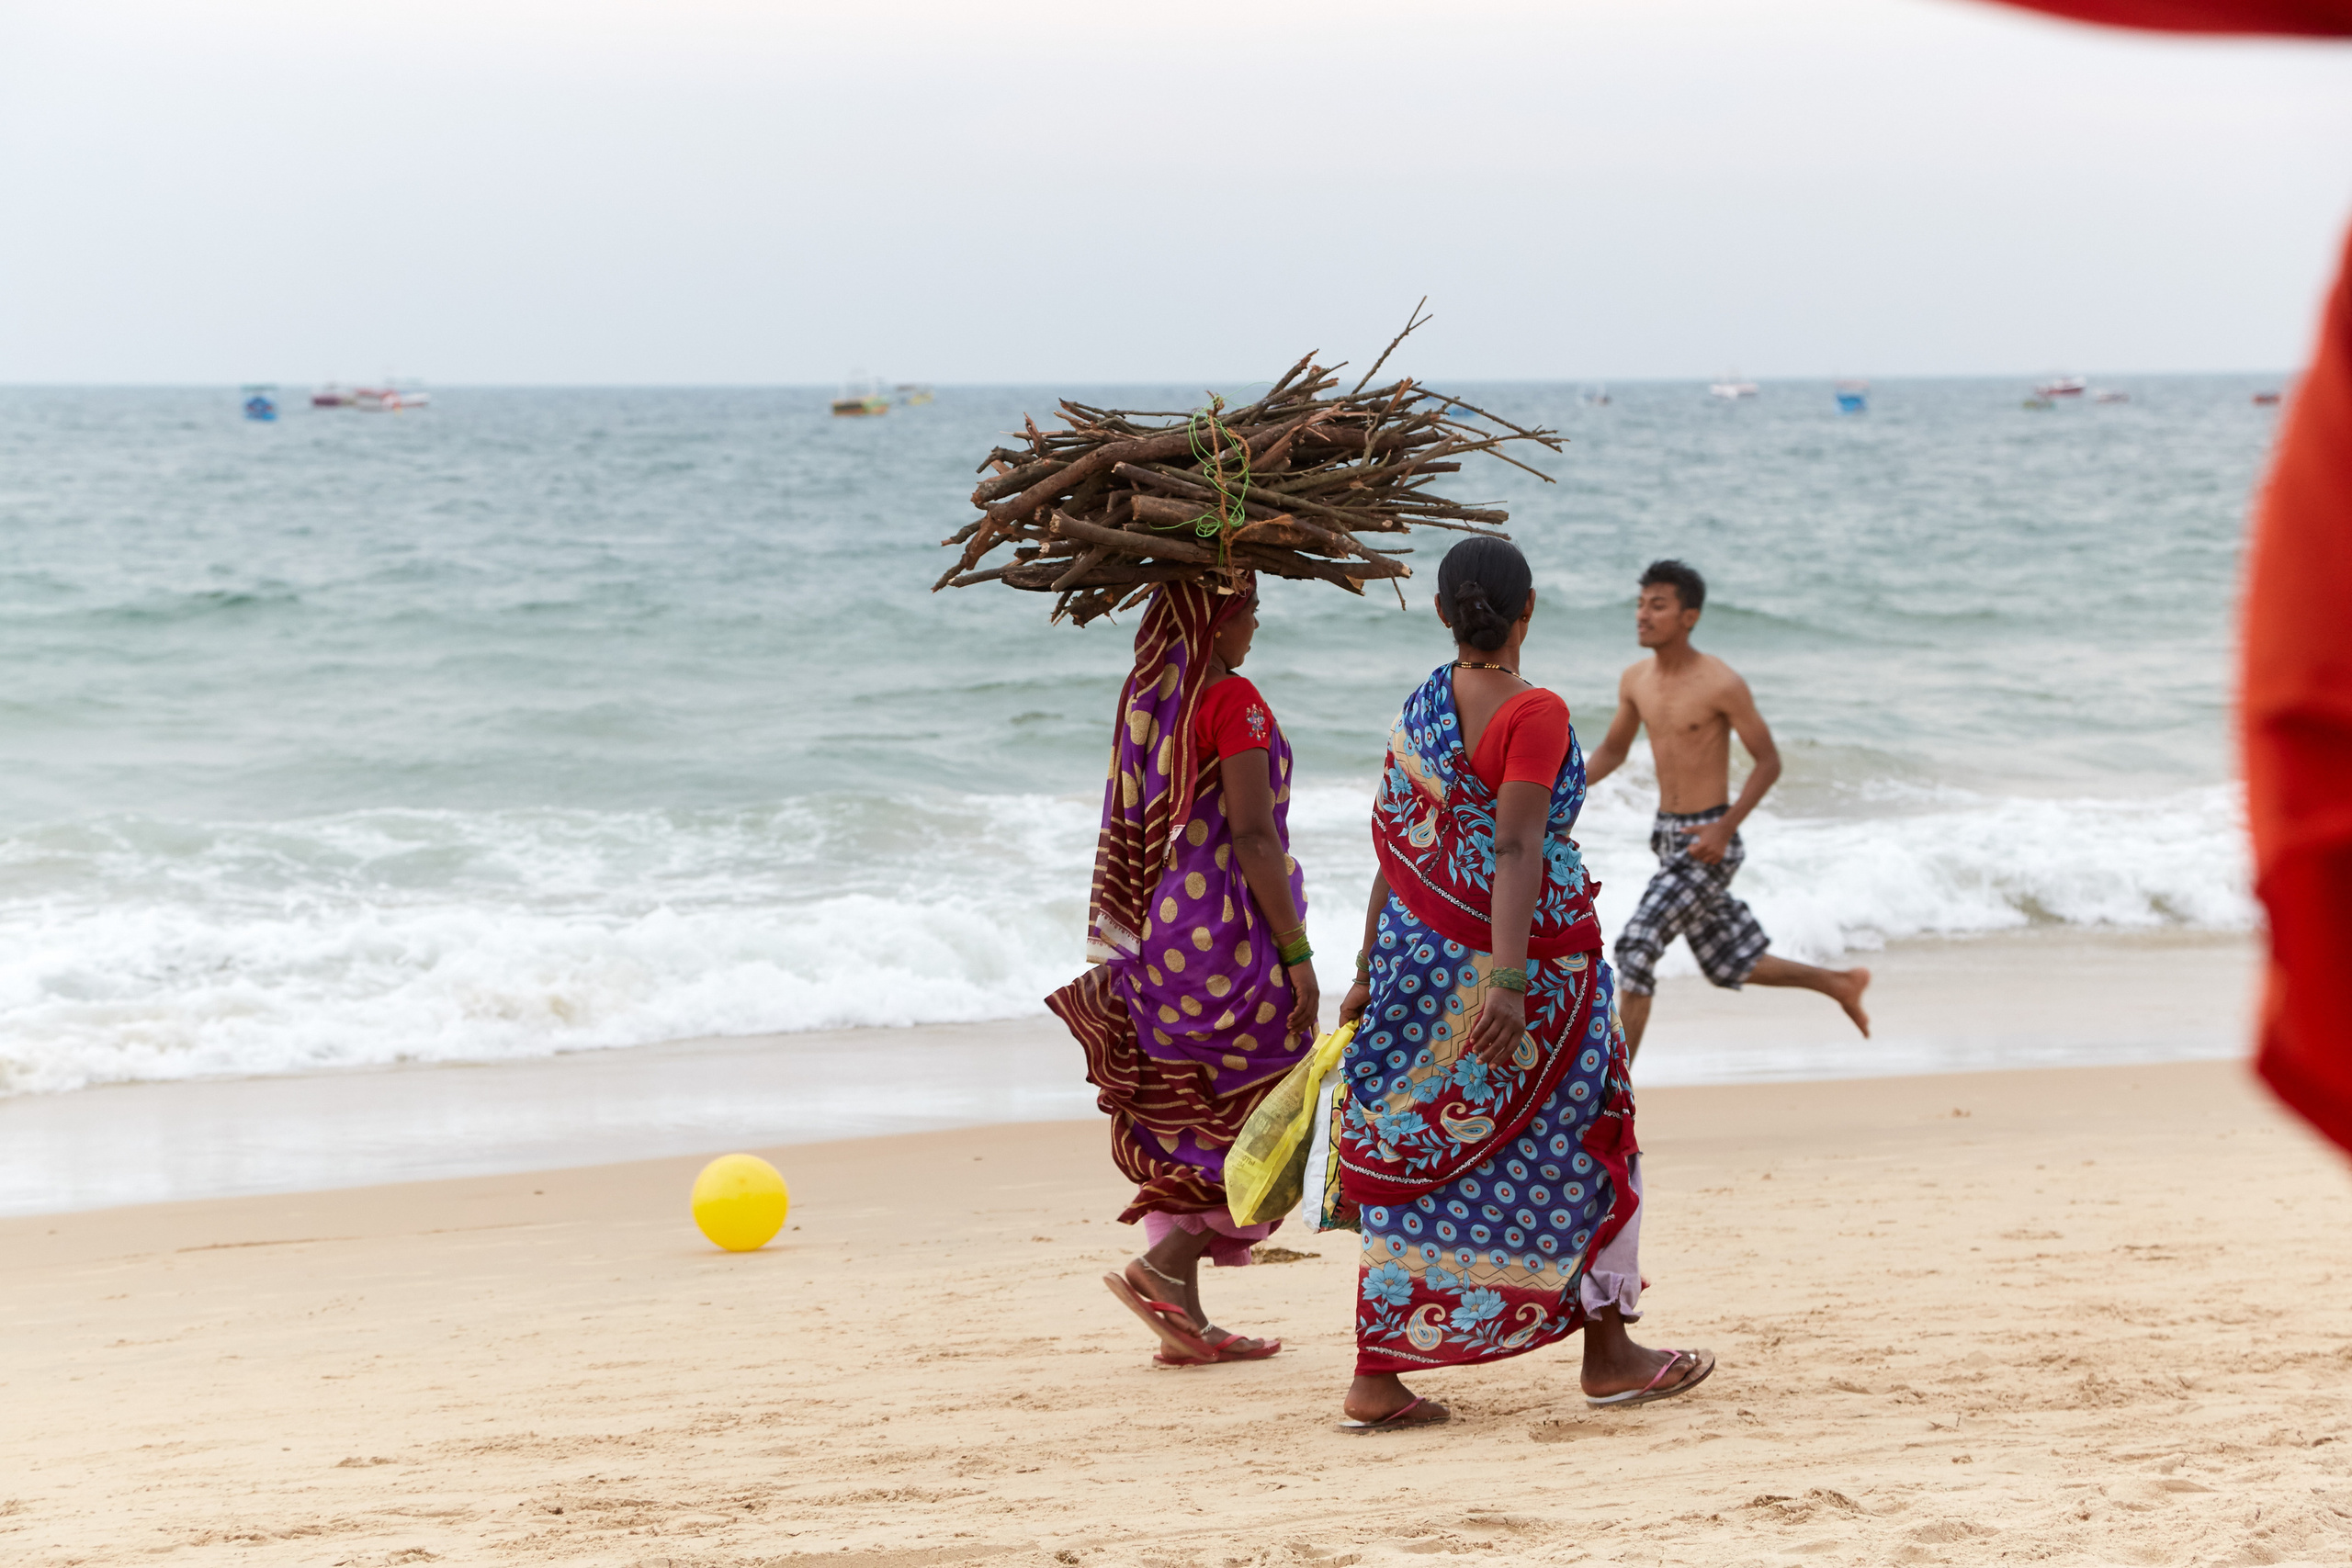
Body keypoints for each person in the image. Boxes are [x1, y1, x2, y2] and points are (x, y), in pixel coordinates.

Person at [1331, 537, 1713, 1432]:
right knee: (1590, 1137)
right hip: (1529, 971)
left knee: (1420, 1153)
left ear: (1441, 612)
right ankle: (1609, 1356)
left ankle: (1377, 1376)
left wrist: (1365, 968)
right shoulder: (1534, 712)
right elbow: (1515, 845)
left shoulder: (1423, 706)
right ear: (1528, 608)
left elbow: (1399, 845)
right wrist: (1506, 981)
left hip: (1415, 957)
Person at [1046, 576, 1322, 1368]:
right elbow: (1254, 836)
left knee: (1190, 1116)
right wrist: (1297, 952)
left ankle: (1186, 1317)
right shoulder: (1233, 700)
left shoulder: (1154, 697)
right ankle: (1162, 1265)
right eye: (1249, 610)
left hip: (1158, 935)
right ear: (1218, 617)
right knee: (1269, 1110)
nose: (1256, 625)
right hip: (1225, 942)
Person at [1585, 559, 1871, 1059]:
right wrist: (1556, 791)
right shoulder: (1635, 680)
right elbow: (1613, 751)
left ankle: (1613, 1091)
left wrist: (1724, 828)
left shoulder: (1720, 683)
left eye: (1657, 606)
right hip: (1667, 836)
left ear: (1689, 616)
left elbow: (1768, 762)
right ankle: (1840, 983)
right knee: (1729, 961)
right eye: (1640, 604)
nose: (1642, 615)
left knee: (1636, 945)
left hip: (1708, 840)